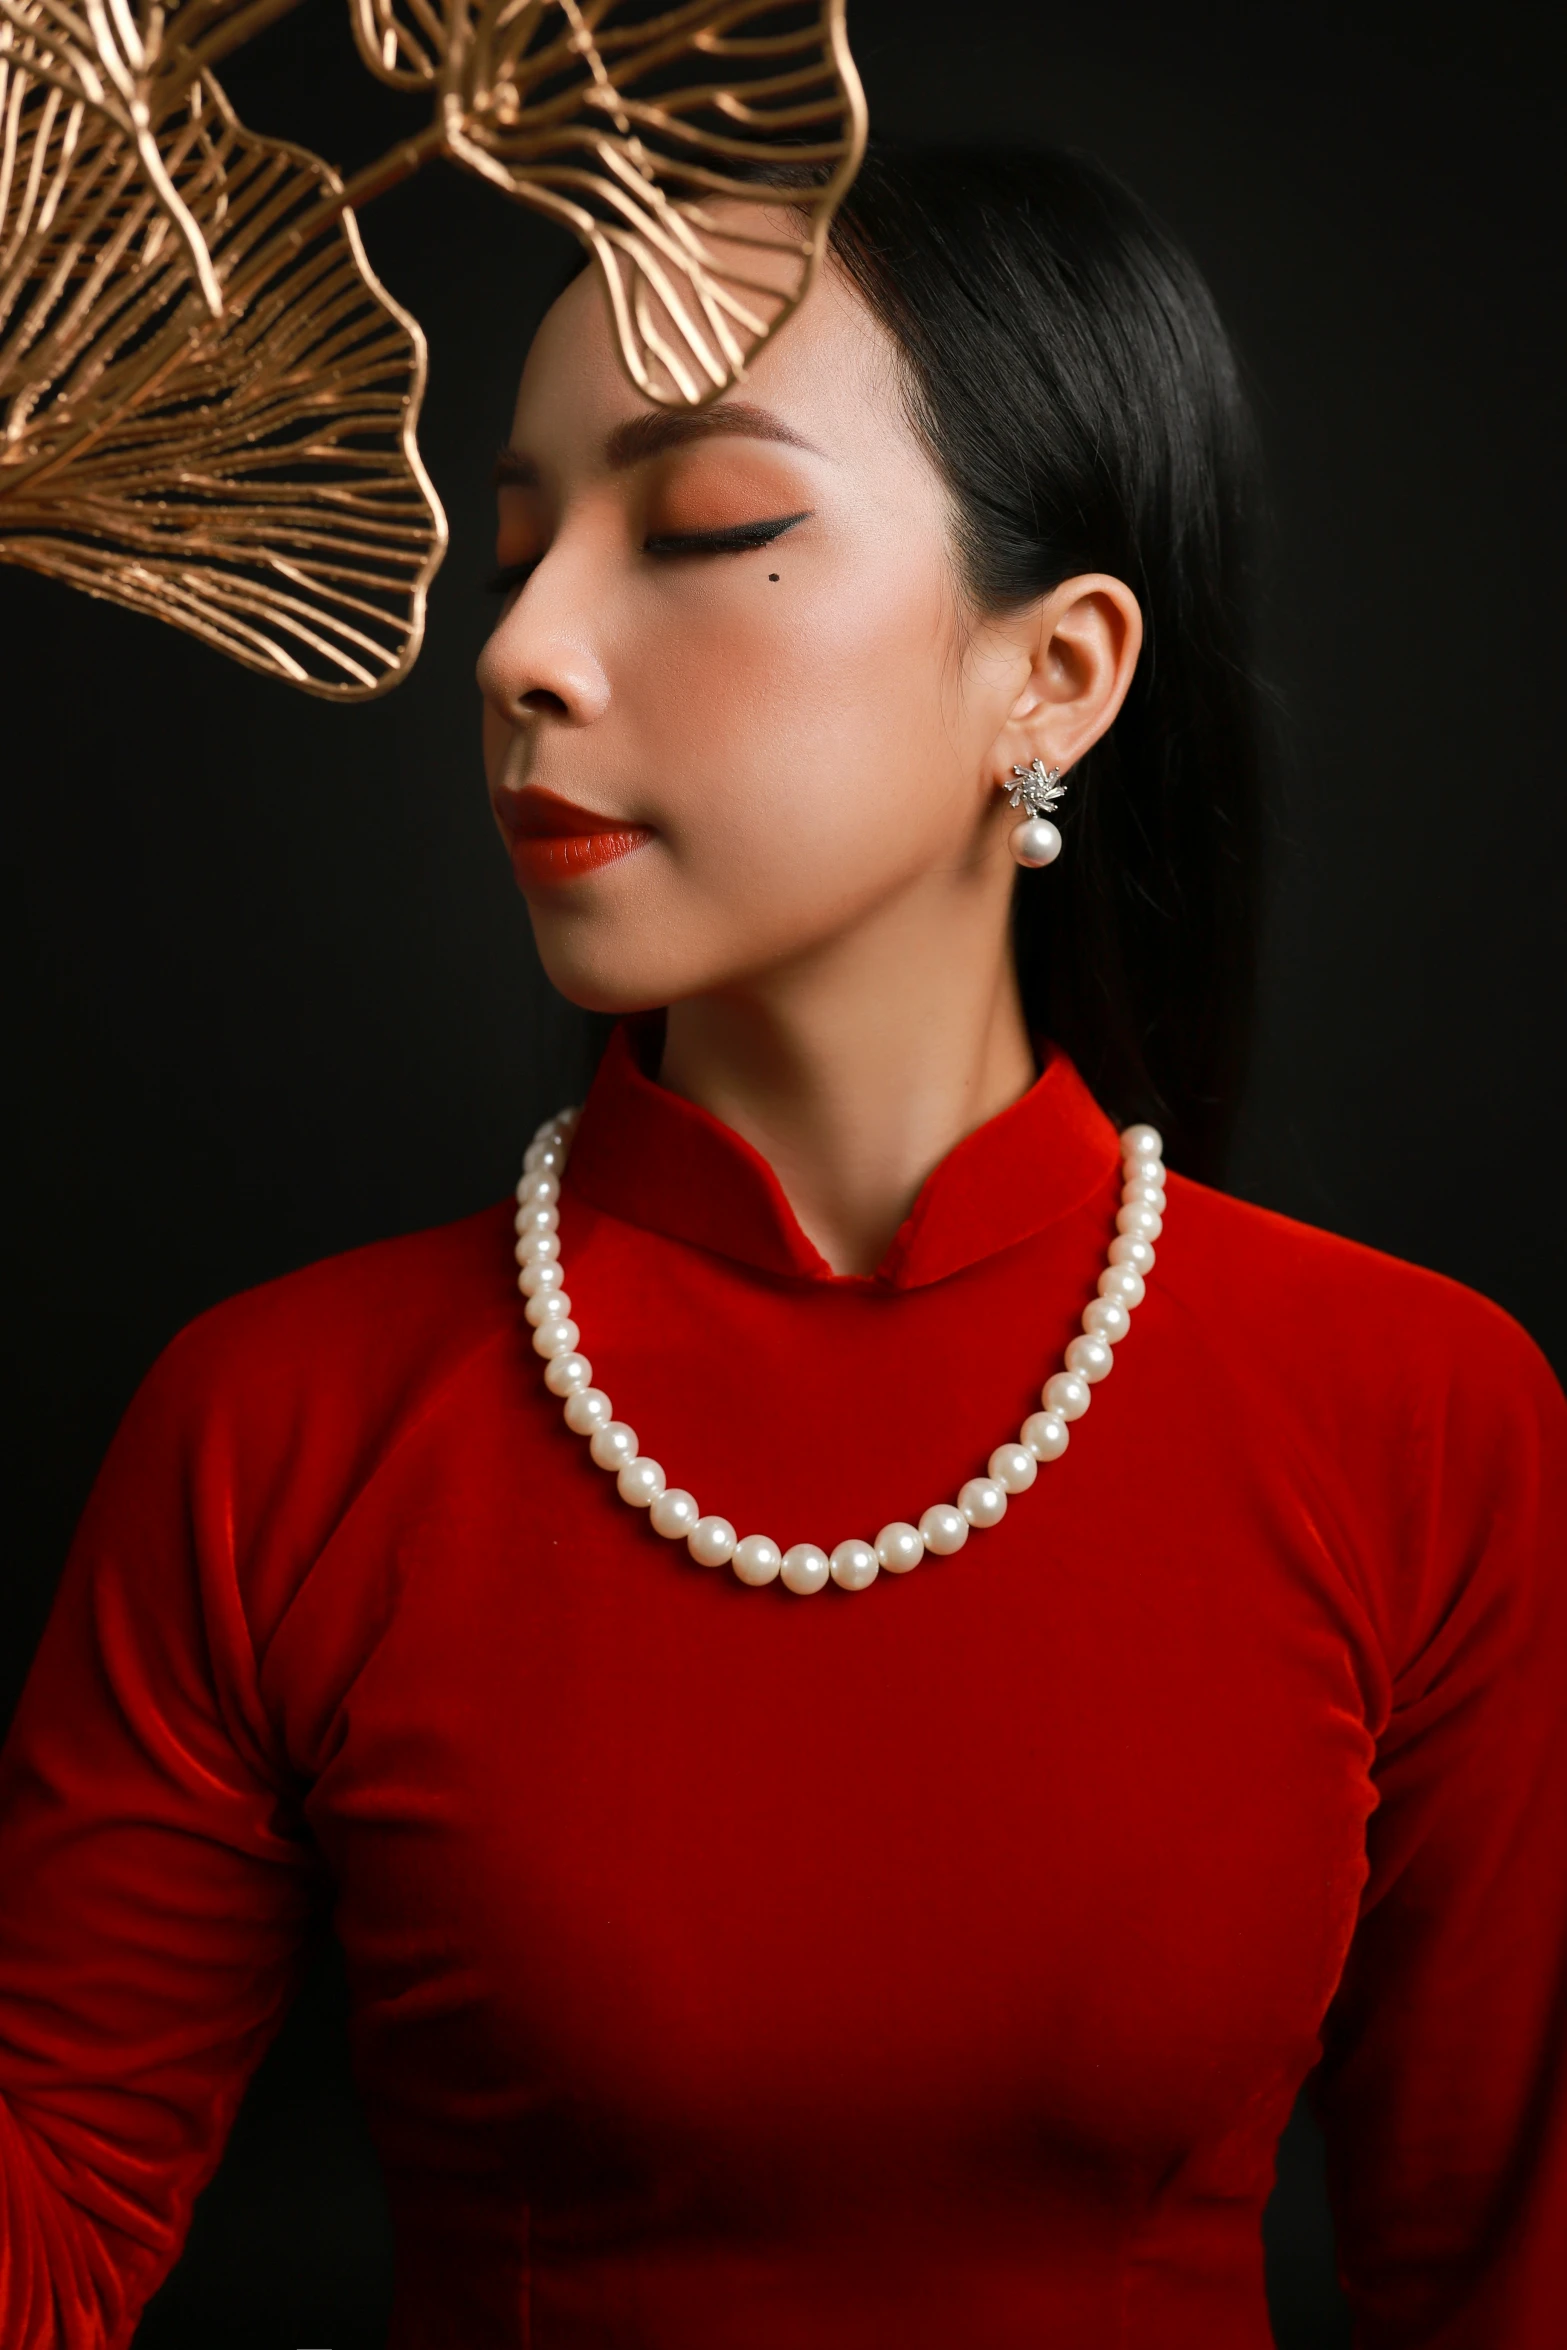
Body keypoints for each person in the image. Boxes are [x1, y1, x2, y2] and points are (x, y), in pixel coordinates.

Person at [1, 146, 1562, 2350]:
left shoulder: (1420, 1417)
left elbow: (1510, 2274)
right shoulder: (277, 1424)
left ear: (1060, 673)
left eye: (708, 526)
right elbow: (49, 2229)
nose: (519, 649)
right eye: (521, 543)